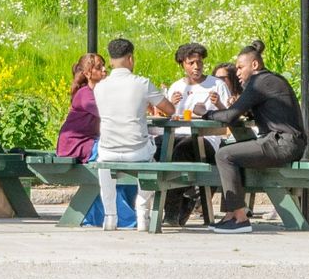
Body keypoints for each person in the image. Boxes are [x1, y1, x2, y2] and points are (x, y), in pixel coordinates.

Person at [198, 39, 307, 234]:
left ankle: (240, 218)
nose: (237, 72)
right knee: (233, 154)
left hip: (282, 143)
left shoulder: (259, 82)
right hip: (286, 142)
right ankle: (231, 214)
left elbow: (231, 115)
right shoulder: (270, 80)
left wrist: (205, 113)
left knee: (225, 155)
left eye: (240, 67)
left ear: (254, 65)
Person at [92, 38, 174, 230]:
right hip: (136, 150)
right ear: (130, 58)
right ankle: (142, 210)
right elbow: (169, 109)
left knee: (103, 163)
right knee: (153, 163)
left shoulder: (99, 87)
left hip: (109, 149)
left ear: (111, 61)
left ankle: (110, 216)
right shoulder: (142, 84)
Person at [160, 43, 229, 225]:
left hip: (206, 139)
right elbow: (169, 116)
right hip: (178, 134)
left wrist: (218, 105)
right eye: (191, 63)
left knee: (182, 149)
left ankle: (173, 211)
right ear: (183, 64)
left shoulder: (216, 85)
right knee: (160, 147)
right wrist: (171, 105)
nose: (196, 67)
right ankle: (169, 203)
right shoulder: (177, 86)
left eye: (199, 62)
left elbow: (229, 119)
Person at [56, 53, 105, 163]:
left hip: (89, 141)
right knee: (116, 150)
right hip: (76, 145)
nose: (104, 69)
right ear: (87, 73)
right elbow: (107, 113)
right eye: (99, 67)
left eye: (104, 65)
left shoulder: (97, 92)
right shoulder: (85, 94)